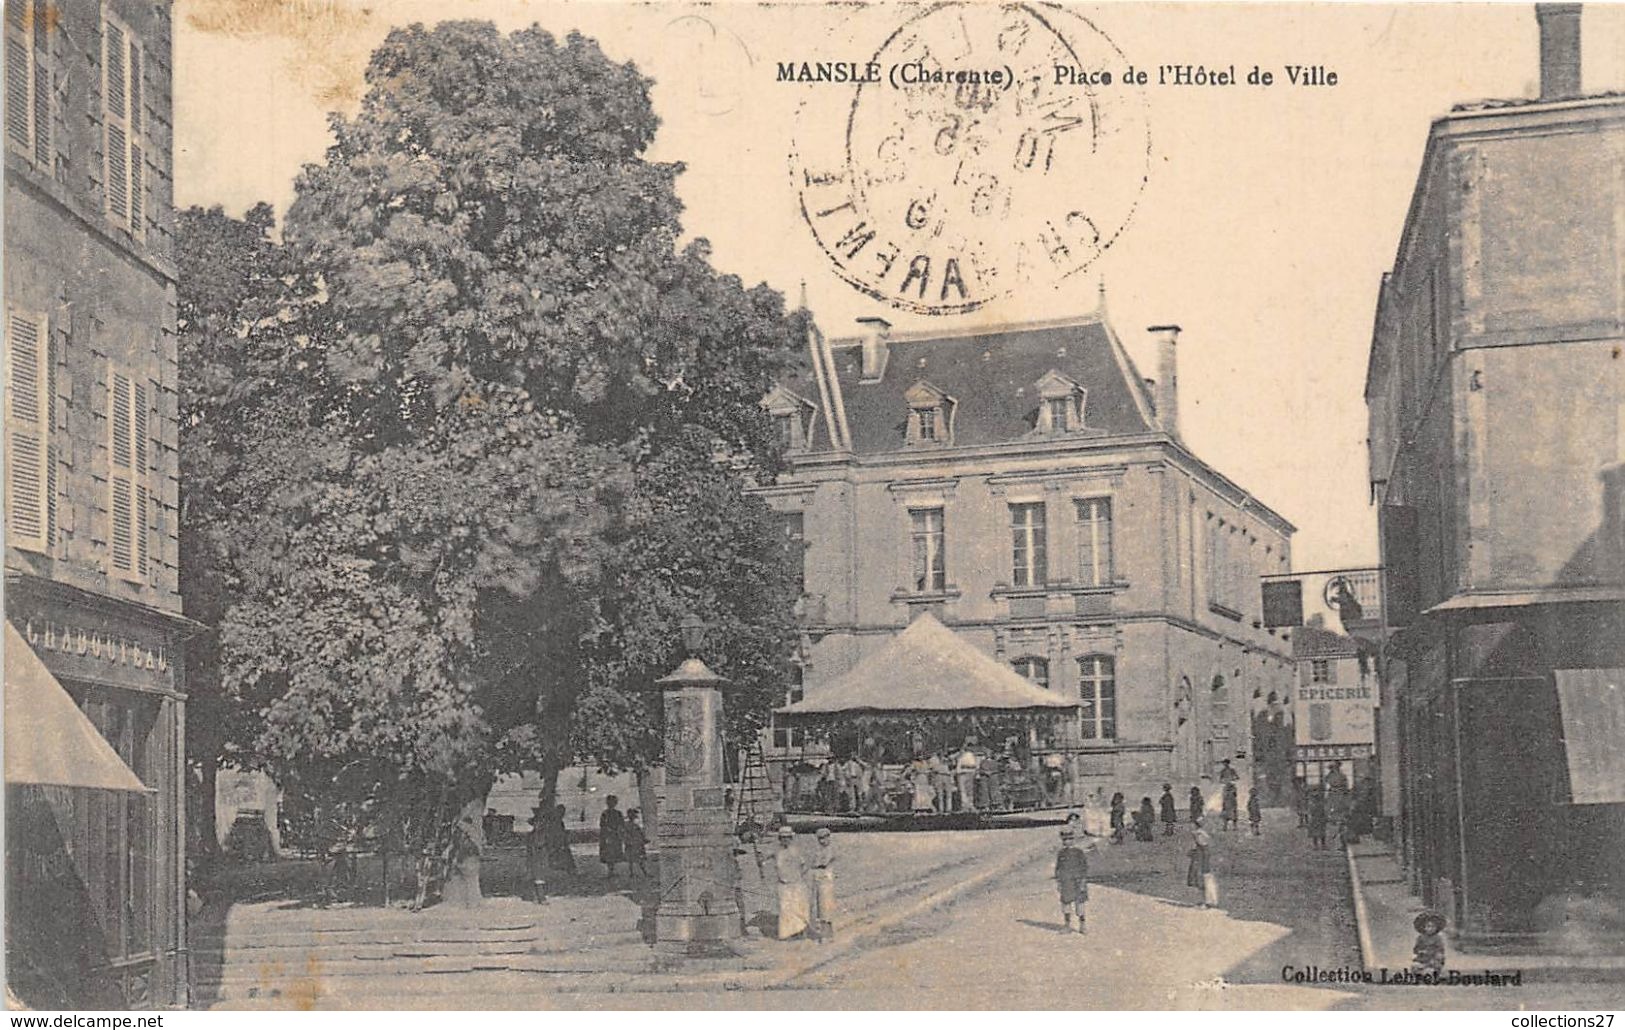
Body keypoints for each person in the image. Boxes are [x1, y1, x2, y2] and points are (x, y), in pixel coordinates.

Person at [774, 826, 811, 940]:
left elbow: (805, 865)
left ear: (791, 838)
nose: (785, 840)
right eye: (783, 838)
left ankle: (801, 932)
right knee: (785, 909)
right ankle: (787, 934)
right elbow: (765, 859)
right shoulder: (777, 852)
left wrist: (798, 877)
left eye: (787, 838)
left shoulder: (796, 851)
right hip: (783, 884)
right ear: (779, 839)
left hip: (796, 883)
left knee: (799, 908)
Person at [1054, 828, 1090, 935]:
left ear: (1073, 840)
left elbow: (1084, 867)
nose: (1067, 842)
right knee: (1066, 904)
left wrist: (1083, 881)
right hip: (1066, 882)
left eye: (1069, 839)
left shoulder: (1079, 852)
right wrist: (1059, 882)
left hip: (1078, 881)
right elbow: (1058, 868)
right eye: (1064, 840)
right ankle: (1067, 925)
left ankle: (1082, 925)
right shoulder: (1061, 853)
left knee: (1080, 904)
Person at [810, 827, 837, 941]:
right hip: (818, 879)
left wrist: (815, 864)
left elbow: (823, 863)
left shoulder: (830, 849)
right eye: (820, 839)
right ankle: (824, 933)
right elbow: (813, 862)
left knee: (825, 905)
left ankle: (827, 934)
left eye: (824, 838)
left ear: (828, 837)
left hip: (826, 879)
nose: (822, 841)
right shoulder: (819, 850)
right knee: (819, 906)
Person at [1187, 818, 1216, 909]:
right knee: (1201, 881)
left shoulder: (1199, 835)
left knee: (1201, 881)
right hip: (1200, 860)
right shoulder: (1201, 834)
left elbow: (1203, 848)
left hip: (1200, 861)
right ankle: (1205, 901)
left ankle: (1206, 902)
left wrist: (1193, 852)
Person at [543, 803, 576, 873]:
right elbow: (555, 833)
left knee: (565, 854)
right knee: (564, 854)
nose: (562, 814)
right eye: (561, 813)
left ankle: (569, 869)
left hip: (558, 842)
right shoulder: (556, 821)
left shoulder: (558, 821)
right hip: (556, 842)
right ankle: (569, 869)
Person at [526, 805, 550, 902]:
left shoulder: (542, 834)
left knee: (540, 877)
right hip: (535, 857)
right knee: (537, 877)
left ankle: (538, 896)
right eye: (536, 823)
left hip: (541, 857)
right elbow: (534, 845)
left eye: (539, 823)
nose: (537, 825)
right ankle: (539, 897)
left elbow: (543, 844)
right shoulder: (533, 835)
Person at [599, 795, 626, 879]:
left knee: (613, 852)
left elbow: (622, 823)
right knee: (608, 852)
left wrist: (619, 830)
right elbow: (602, 824)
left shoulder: (618, 813)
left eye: (613, 802)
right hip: (607, 835)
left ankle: (611, 870)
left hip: (615, 835)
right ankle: (610, 871)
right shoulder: (605, 813)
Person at [1413, 911, 1446, 975]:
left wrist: (1437, 954)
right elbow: (1416, 948)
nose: (1430, 929)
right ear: (1424, 928)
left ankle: (1432, 971)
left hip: (1433, 958)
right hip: (1423, 957)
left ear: (1436, 928)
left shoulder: (1437, 938)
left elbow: (1440, 949)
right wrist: (1420, 952)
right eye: (1428, 926)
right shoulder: (1420, 938)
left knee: (1434, 966)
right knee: (1415, 966)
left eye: (1433, 927)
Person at [624, 808, 648, 877]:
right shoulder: (627, 825)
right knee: (631, 860)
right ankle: (631, 873)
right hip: (631, 844)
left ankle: (644, 872)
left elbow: (640, 833)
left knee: (639, 859)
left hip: (637, 843)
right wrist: (628, 841)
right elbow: (625, 834)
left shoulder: (636, 825)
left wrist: (643, 839)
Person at [955, 744, 979, 813]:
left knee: (965, 791)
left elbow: (959, 766)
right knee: (967, 791)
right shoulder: (968, 756)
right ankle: (967, 806)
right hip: (967, 773)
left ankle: (967, 806)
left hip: (965, 774)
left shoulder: (966, 756)